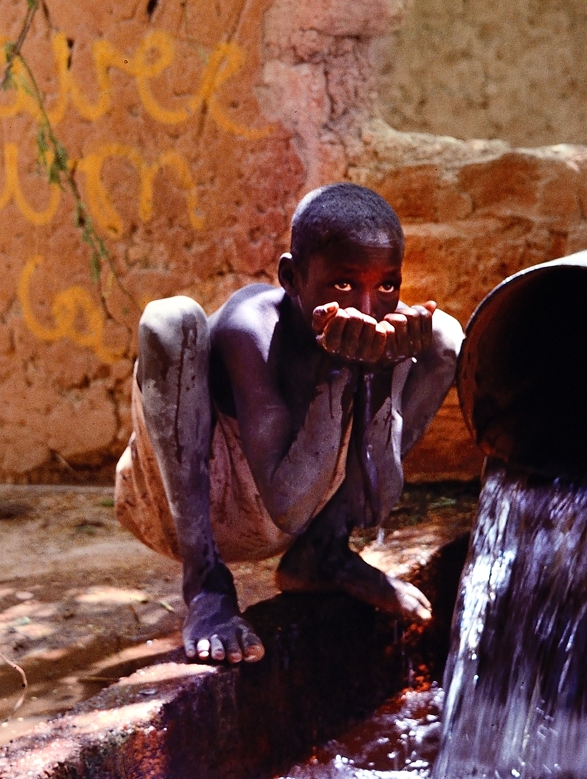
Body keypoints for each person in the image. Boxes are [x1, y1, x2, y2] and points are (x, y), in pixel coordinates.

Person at [115, 183, 464, 666]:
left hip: (302, 505)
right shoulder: (253, 333)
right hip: (198, 506)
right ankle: (205, 587)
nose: (367, 308)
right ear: (292, 278)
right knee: (170, 320)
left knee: (445, 336)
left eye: (386, 285)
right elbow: (288, 511)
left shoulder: (383, 331)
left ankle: (323, 554)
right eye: (343, 284)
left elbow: (375, 505)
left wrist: (384, 378)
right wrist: (338, 376)